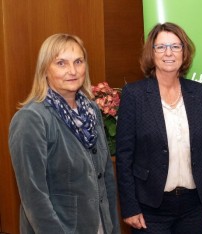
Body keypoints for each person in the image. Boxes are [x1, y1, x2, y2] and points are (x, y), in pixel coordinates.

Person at [116, 22, 202, 234]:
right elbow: (124, 157)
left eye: (175, 46)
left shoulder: (200, 93)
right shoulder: (133, 95)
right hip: (150, 208)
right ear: (151, 53)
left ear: (184, 52)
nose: (169, 53)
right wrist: (129, 207)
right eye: (161, 47)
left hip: (194, 206)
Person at [8, 33, 121, 234]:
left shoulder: (91, 110)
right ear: (44, 70)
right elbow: (34, 198)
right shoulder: (32, 118)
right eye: (61, 63)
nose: (72, 70)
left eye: (78, 61)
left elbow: (105, 180)